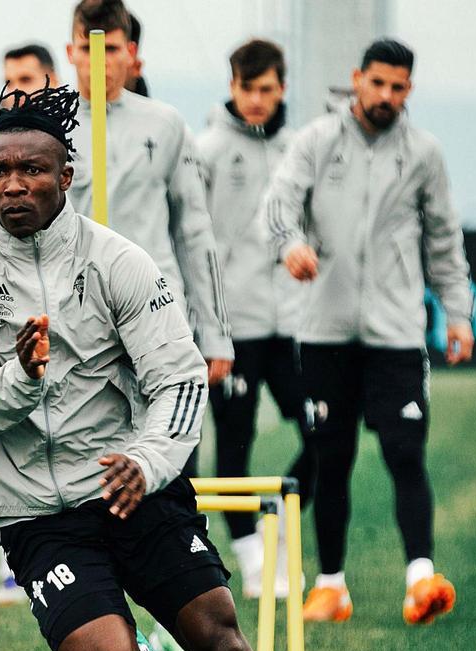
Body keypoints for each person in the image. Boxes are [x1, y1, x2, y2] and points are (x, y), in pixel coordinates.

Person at [0, 81, 262, 651]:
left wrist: (151, 461)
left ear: (66, 175)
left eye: (32, 168)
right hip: (32, 512)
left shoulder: (120, 261)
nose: (13, 184)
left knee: (221, 642)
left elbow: (178, 380)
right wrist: (21, 379)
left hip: (129, 485)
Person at [265, 38, 473, 625]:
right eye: (377, 83)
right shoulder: (317, 141)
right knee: (332, 458)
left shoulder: (424, 153)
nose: (386, 96)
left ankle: (420, 579)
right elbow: (277, 203)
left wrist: (458, 311)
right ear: (356, 79)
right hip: (326, 330)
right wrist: (291, 245)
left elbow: (442, 238)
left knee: (405, 451)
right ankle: (332, 587)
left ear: (409, 90)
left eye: (398, 87)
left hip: (397, 333)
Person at [64, 0, 233, 461]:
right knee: (85, 451)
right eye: (87, 48)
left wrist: (214, 332)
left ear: (130, 52)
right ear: (71, 51)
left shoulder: (165, 123)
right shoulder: (46, 129)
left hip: (156, 308)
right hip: (74, 315)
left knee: (171, 445)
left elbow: (195, 233)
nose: (99, 60)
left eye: (111, 48)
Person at [195, 38, 313, 600]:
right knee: (235, 442)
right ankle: (252, 559)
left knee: (324, 431)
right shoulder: (208, 149)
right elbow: (198, 242)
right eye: (247, 88)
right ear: (232, 86)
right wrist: (207, 322)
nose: (257, 100)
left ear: (282, 88)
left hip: (293, 323)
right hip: (232, 325)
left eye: (267, 89)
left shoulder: (301, 148)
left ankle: (281, 524)